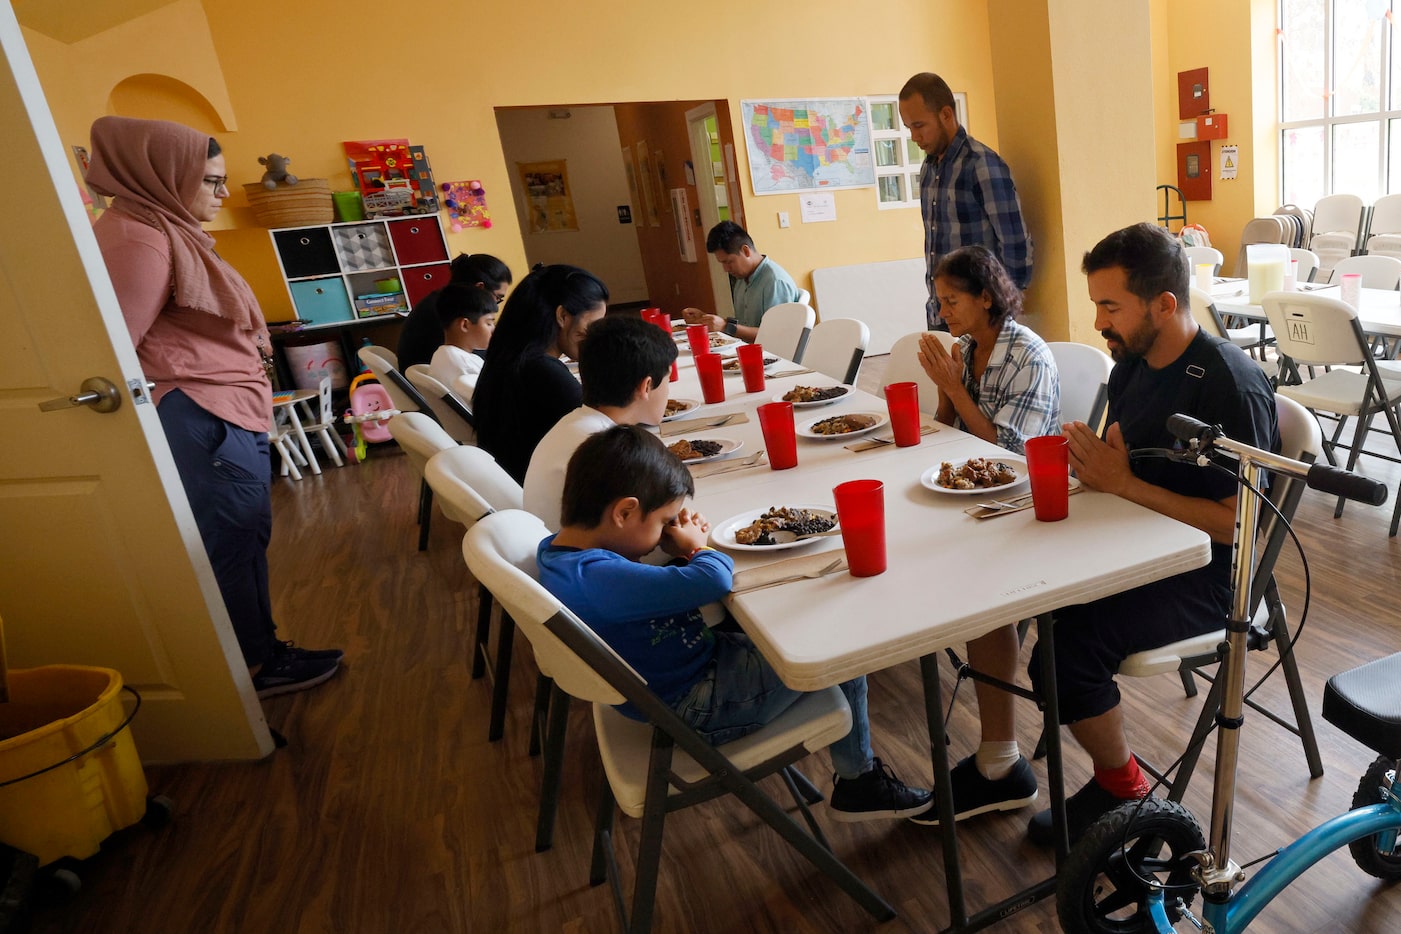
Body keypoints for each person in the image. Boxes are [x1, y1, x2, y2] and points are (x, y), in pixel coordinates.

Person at [1023, 223, 1278, 846]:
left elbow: (1244, 524)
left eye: (1111, 307)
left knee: (1066, 648)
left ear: (1164, 304)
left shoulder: (1230, 384)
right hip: (1147, 545)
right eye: (1097, 306)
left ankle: (1125, 790)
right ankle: (1108, 776)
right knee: (1040, 600)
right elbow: (1126, 463)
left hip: (1219, 576)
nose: (1099, 323)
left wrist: (1125, 485)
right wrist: (1094, 467)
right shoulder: (1133, 365)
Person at [537, 425, 933, 822]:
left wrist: (670, 543)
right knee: (836, 650)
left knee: (778, 624)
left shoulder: (562, 555)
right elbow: (714, 579)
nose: (666, 534)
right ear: (624, 512)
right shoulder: (596, 580)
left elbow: (644, 591)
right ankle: (859, 781)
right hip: (698, 703)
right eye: (663, 521)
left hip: (676, 677)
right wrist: (697, 547)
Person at [87, 116, 342, 699]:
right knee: (231, 539)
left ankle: (262, 653)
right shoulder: (139, 238)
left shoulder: (161, 227)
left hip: (219, 406)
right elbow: (113, 347)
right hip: (200, 411)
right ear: (164, 174)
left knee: (244, 536)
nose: (224, 194)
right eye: (210, 180)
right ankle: (253, 669)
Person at [906, 245, 1059, 826]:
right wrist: (946, 394)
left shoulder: (1027, 355)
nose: (942, 310)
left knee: (975, 582)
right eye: (939, 299)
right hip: (976, 496)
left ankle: (999, 756)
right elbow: (949, 437)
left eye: (952, 300)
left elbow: (1010, 454)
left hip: (1023, 502)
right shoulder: (967, 349)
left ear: (986, 298)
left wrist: (958, 390)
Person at [899, 72, 1033, 330]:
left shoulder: (981, 165)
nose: (914, 137)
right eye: (909, 128)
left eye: (919, 126)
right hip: (941, 314)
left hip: (984, 318)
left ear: (946, 115)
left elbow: (1016, 244)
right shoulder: (928, 170)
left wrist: (1002, 310)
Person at [522, 315, 676, 530]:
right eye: (668, 379)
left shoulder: (574, 424)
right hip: (598, 559)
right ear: (646, 386)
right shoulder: (611, 452)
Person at [472, 263, 608, 483]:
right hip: (545, 495)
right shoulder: (542, 371)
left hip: (519, 484)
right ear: (563, 315)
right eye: (593, 325)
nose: (595, 336)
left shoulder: (511, 355)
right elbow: (603, 436)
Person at [681, 221, 800, 342]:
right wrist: (705, 319)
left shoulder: (775, 282)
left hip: (770, 355)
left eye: (729, 262)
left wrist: (726, 327)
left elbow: (776, 335)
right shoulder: (742, 279)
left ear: (746, 251)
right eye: (722, 263)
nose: (726, 269)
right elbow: (744, 325)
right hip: (746, 348)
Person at [396, 253, 512, 370]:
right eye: (497, 298)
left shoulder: (441, 302)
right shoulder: (452, 312)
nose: (495, 304)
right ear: (479, 288)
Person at [426, 283, 497, 401]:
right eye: (488, 323)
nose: (494, 330)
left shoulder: (442, 354)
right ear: (465, 325)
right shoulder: (466, 365)